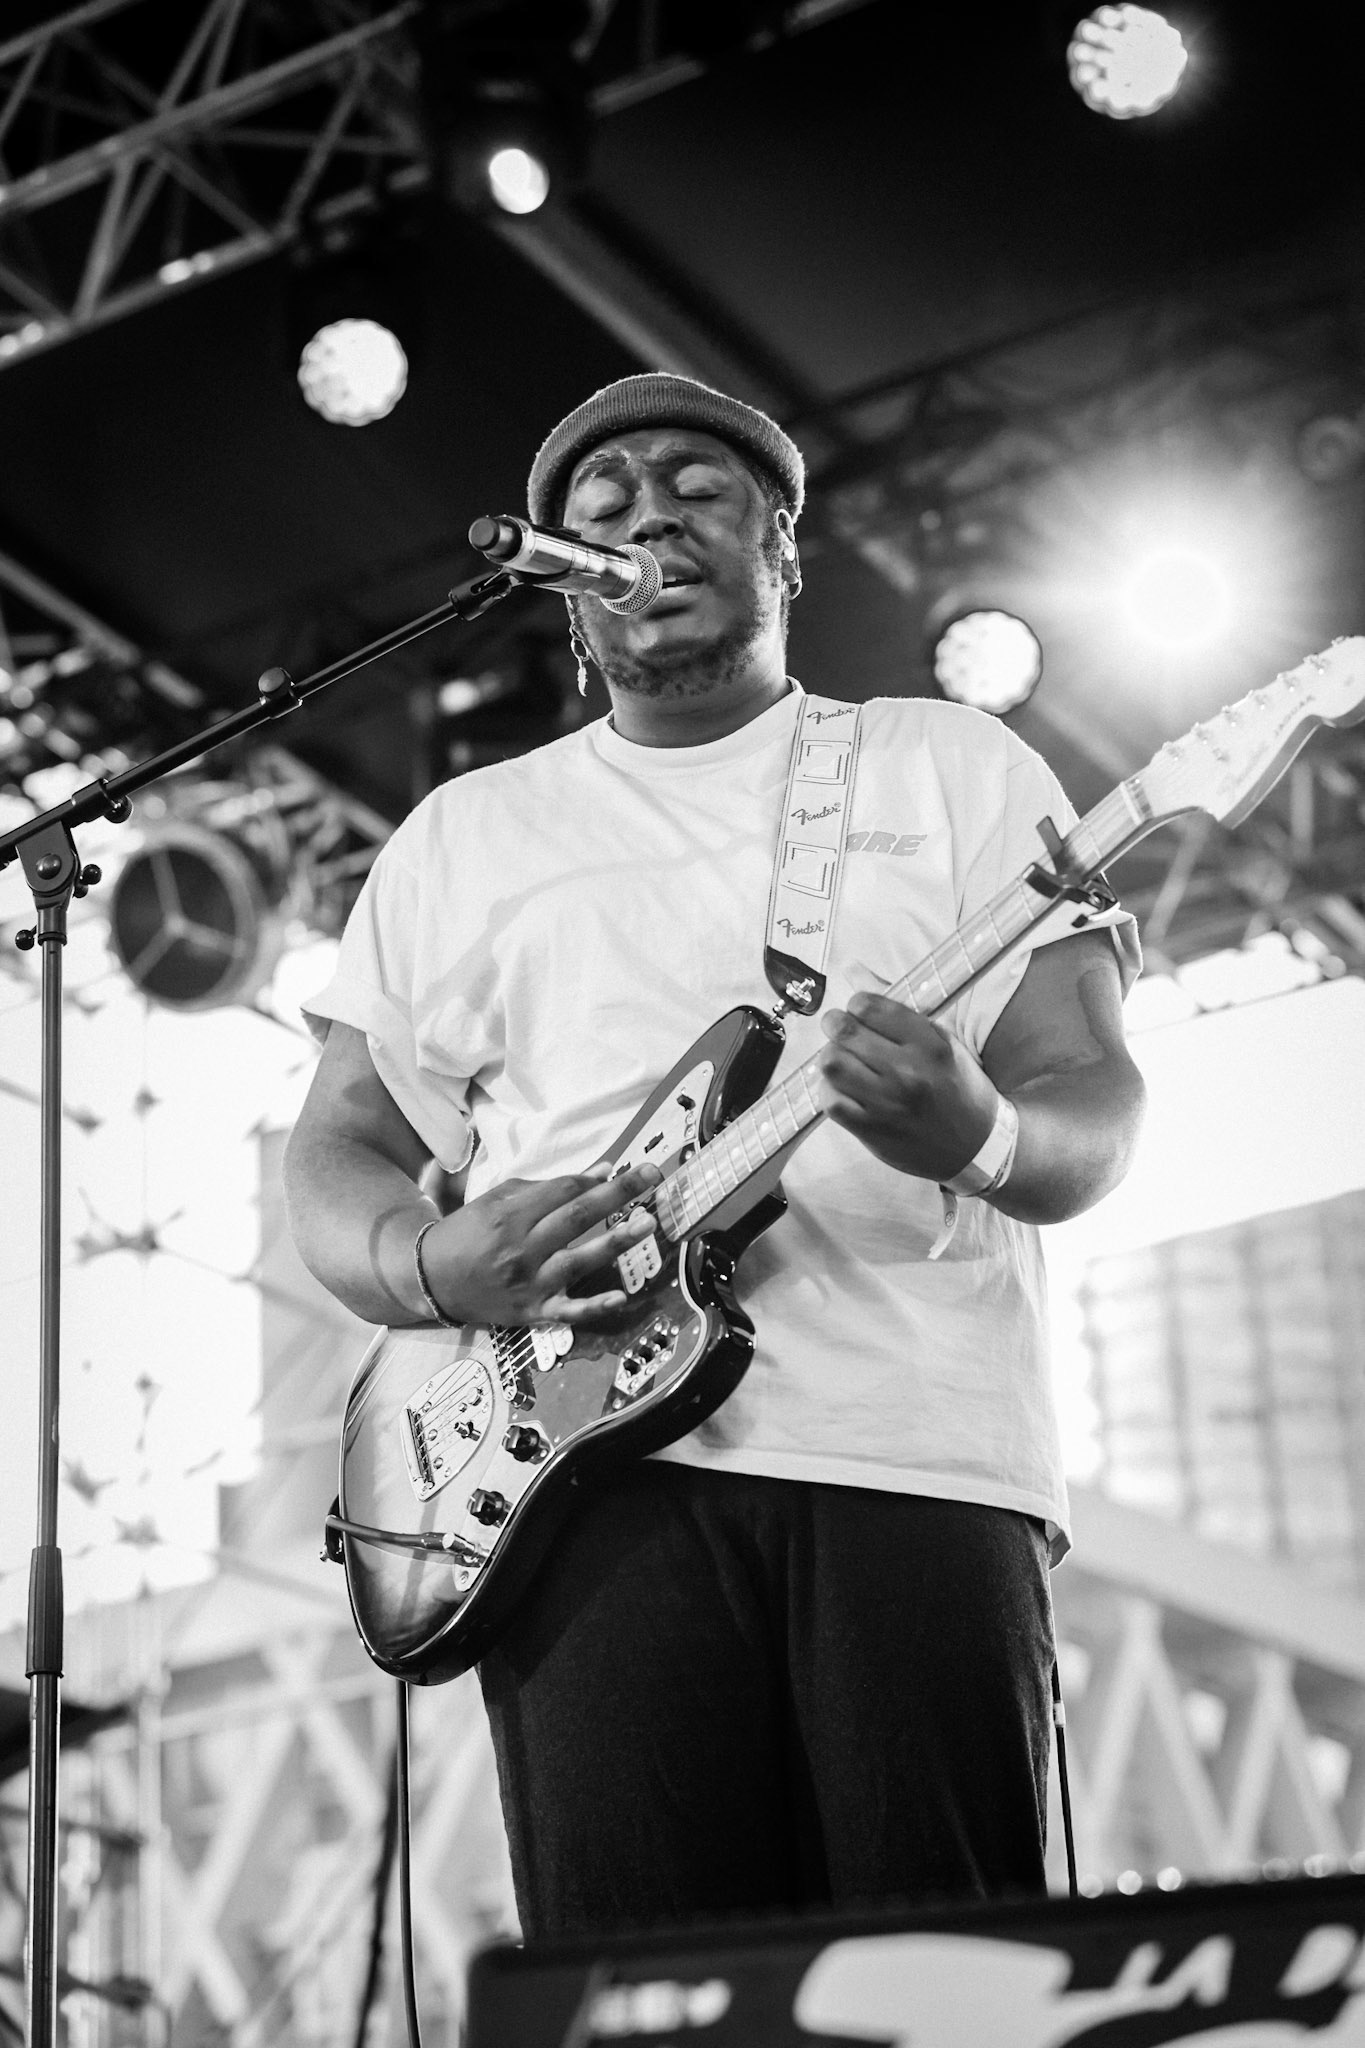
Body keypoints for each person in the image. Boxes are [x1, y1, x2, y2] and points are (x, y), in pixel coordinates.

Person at [284, 372, 1146, 1940]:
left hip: (913, 1455)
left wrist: (985, 1133)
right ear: (557, 577)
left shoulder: (946, 765)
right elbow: (338, 1149)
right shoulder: (464, 834)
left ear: (784, 548)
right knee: (644, 1988)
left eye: (694, 489)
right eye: (600, 509)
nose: (644, 521)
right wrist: (426, 1261)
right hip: (573, 1484)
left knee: (950, 1980)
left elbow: (1088, 1099)